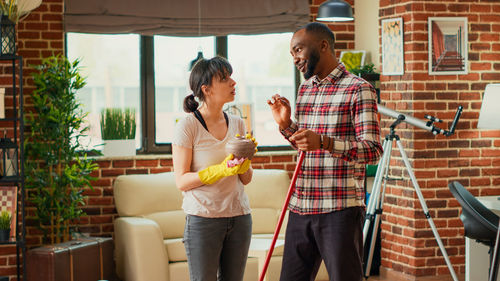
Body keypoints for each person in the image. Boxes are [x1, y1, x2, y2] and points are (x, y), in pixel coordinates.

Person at [267, 22, 383, 281]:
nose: (295, 59)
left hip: (339, 208)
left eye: (298, 50)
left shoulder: (358, 89)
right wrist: (286, 125)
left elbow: (373, 150)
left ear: (323, 46)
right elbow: (306, 145)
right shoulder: (305, 89)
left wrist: (326, 143)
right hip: (301, 206)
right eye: (292, 54)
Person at [172, 56, 255, 281]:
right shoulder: (188, 126)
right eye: (225, 78)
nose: (233, 83)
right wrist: (219, 170)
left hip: (239, 217)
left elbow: (245, 179)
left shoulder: (237, 122)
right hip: (203, 219)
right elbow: (181, 181)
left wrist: (244, 162)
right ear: (206, 89)